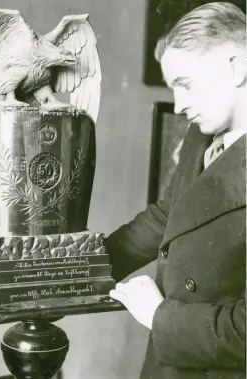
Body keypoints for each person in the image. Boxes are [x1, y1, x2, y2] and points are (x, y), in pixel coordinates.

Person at [106, 2, 246, 379]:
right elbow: (171, 215)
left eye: (185, 84)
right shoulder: (202, 134)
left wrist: (158, 316)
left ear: (237, 67)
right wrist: (87, 266)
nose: (180, 105)